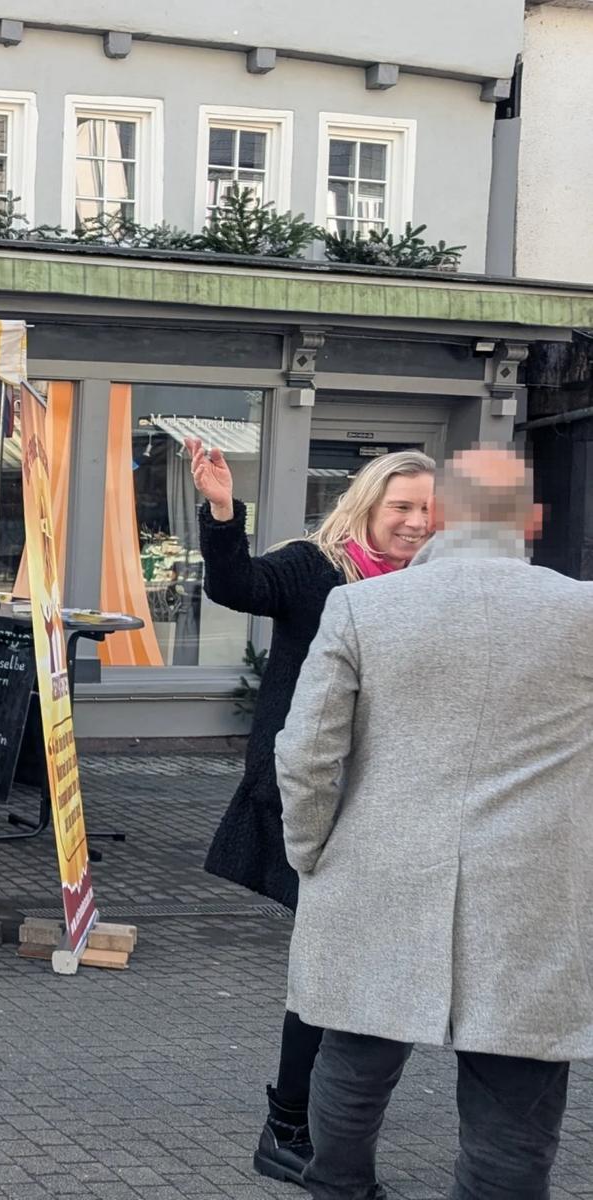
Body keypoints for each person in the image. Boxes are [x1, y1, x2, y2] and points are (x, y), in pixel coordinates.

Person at [275, 447, 592, 1200]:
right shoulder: (583, 613)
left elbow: (307, 753)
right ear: (531, 521)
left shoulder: (362, 607)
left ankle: (340, 1189)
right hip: (533, 885)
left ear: (440, 514)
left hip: (377, 868)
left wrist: (310, 851)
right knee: (516, 1091)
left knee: (353, 1055)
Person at [186, 438, 435, 1182]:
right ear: (367, 503)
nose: (416, 521)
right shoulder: (315, 566)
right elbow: (237, 586)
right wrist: (222, 511)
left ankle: (310, 1119)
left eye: (428, 509)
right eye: (402, 506)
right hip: (313, 796)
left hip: (391, 798)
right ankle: (290, 1125)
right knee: (335, 958)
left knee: (348, 960)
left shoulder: (434, 585)